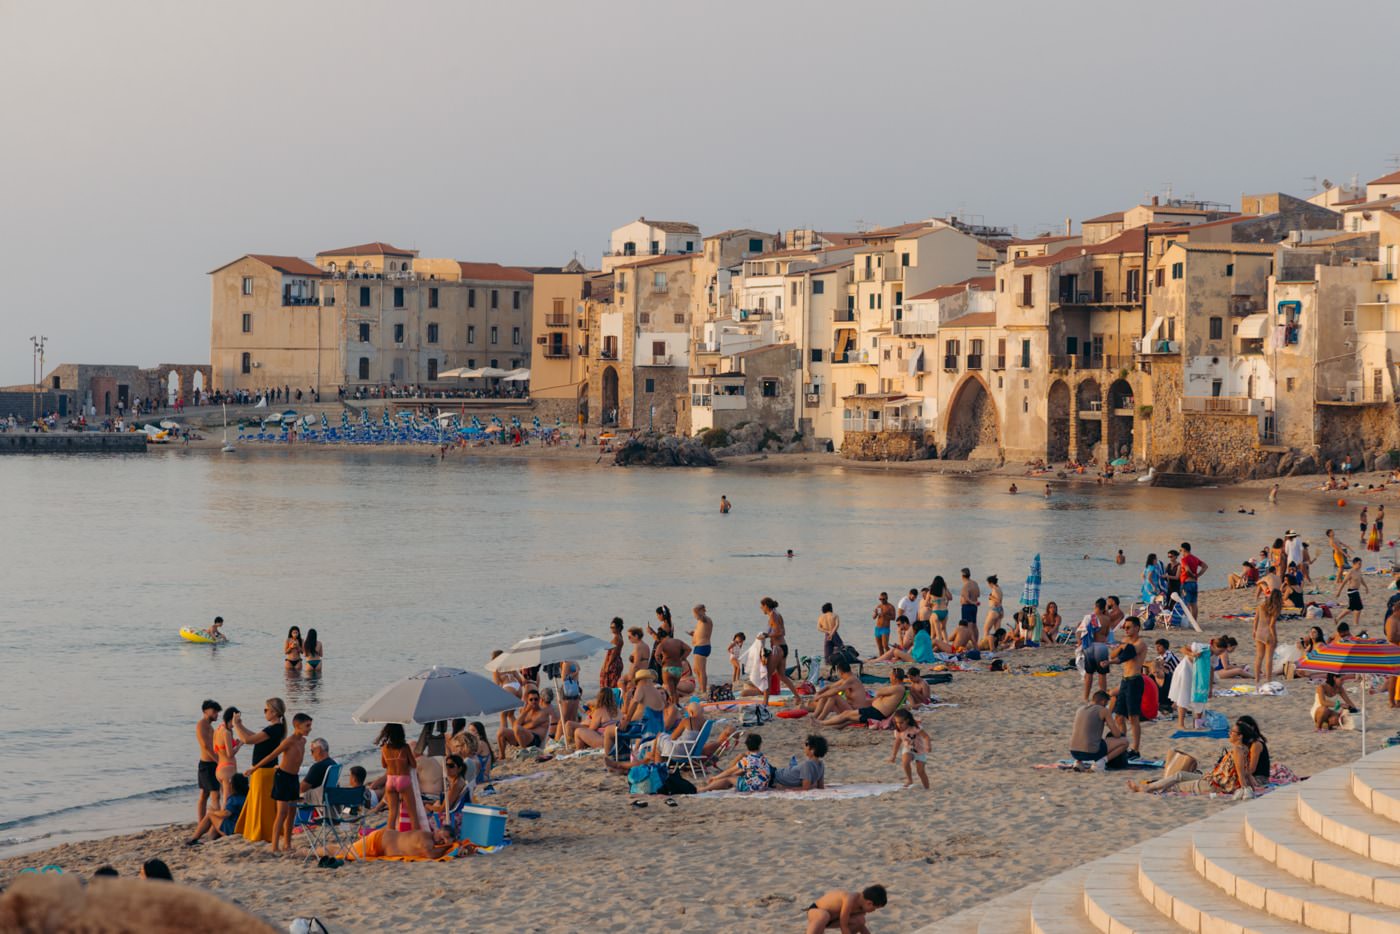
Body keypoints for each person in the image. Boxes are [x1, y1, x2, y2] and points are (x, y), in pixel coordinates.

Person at [1129, 716, 1270, 795]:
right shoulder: (1241, 748)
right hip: (1212, 778)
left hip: (1215, 784)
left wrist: (1248, 789)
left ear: (1240, 736)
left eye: (1232, 732)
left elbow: (1242, 773)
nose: (1229, 733)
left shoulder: (1240, 750)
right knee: (1179, 775)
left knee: (1177, 786)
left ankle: (1146, 789)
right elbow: (1244, 771)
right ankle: (1148, 787)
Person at [246, 711, 312, 855]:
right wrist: (254, 768)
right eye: (307, 726)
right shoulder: (289, 741)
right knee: (282, 812)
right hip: (282, 777)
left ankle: (287, 843)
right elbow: (271, 755)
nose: (309, 728)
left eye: (310, 725)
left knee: (292, 812)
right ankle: (275, 846)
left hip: (294, 778)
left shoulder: (303, 741)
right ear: (297, 726)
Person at [232, 698, 286, 844]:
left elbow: (249, 740)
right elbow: (254, 737)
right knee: (261, 804)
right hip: (265, 771)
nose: (265, 713)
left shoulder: (273, 729)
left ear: (274, 712)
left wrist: (236, 725)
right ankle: (260, 832)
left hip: (263, 771)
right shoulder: (276, 728)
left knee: (261, 805)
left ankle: (261, 833)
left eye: (266, 710)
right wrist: (241, 726)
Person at [1109, 617, 1146, 759]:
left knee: (1133, 717)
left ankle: (1135, 749)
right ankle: (1123, 745)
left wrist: (1122, 649)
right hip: (1125, 680)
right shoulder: (1125, 641)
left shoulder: (1140, 643)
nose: (1126, 629)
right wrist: (1120, 647)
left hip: (1135, 680)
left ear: (1137, 628)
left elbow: (1129, 653)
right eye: (1125, 627)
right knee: (1119, 716)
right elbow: (1113, 654)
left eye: (1129, 627)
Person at [820, 671, 908, 727]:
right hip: (875, 711)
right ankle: (832, 725)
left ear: (895, 678)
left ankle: (821, 723)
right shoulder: (898, 688)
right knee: (848, 718)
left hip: (876, 713)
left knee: (847, 714)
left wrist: (883, 693)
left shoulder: (898, 688)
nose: (890, 678)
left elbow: (879, 692)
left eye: (891, 676)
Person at [1070, 689, 1129, 772]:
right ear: (1103, 702)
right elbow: (1117, 734)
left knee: (1090, 739)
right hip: (1091, 752)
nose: (1106, 706)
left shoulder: (1080, 709)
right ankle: (1101, 762)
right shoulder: (1103, 710)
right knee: (1125, 742)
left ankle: (1078, 762)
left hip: (1074, 751)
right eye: (1106, 704)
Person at [328, 826, 459, 862]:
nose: (443, 841)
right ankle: (308, 851)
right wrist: (448, 846)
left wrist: (447, 844)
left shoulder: (433, 841)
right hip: (377, 841)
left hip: (382, 844)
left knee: (343, 850)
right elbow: (431, 855)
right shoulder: (425, 838)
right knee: (342, 851)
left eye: (446, 840)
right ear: (437, 830)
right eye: (443, 836)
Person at [378, 722, 419, 833]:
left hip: (390, 780)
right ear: (401, 733)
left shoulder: (384, 748)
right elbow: (414, 764)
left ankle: (390, 838)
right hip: (403, 779)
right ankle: (416, 837)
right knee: (412, 813)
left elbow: (383, 765)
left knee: (392, 812)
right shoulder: (404, 747)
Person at [759, 597, 800, 705]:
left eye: (762, 606)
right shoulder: (777, 614)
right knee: (782, 676)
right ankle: (798, 697)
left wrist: (766, 635)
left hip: (778, 648)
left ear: (766, 606)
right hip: (783, 647)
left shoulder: (773, 616)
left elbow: (779, 632)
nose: (761, 608)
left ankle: (765, 702)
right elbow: (783, 632)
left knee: (767, 674)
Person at [703, 732, 771, 792]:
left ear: (747, 746)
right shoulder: (763, 757)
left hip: (751, 787)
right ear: (759, 745)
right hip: (763, 786)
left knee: (728, 778)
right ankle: (714, 785)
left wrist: (715, 777)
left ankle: (704, 789)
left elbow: (729, 771)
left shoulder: (747, 760)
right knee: (736, 774)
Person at [805, 886, 887, 934]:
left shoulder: (862, 907)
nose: (873, 911)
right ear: (869, 903)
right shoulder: (850, 899)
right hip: (816, 911)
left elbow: (862, 927)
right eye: (875, 908)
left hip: (832, 920)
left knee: (860, 920)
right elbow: (843, 926)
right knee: (823, 916)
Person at [498, 687, 551, 758]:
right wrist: (525, 711)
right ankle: (502, 756)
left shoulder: (542, 713)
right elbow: (516, 725)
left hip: (535, 740)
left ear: (539, 700)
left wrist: (519, 725)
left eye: (536, 699)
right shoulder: (526, 712)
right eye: (531, 700)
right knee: (501, 731)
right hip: (521, 737)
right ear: (527, 701)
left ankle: (525, 752)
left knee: (517, 728)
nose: (533, 701)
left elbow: (520, 726)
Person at [1254, 565, 1283, 687]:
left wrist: (1254, 630)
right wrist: (1275, 638)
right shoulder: (1275, 609)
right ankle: (1268, 680)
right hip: (1268, 634)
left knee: (1259, 657)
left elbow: (1255, 619)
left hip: (1259, 632)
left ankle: (1256, 679)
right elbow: (1271, 625)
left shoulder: (1261, 606)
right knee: (1269, 658)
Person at [195, 700, 221, 828]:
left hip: (211, 764)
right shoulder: (202, 724)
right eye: (214, 711)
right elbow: (205, 745)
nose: (216, 714)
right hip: (207, 764)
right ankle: (215, 824)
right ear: (205, 711)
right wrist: (218, 761)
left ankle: (202, 824)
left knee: (205, 794)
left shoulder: (210, 726)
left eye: (217, 712)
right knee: (214, 795)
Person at [889, 709, 930, 789]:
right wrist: (893, 756)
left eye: (901, 722)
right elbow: (897, 743)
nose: (899, 725)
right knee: (905, 762)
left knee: (920, 771)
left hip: (920, 751)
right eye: (897, 722)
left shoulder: (914, 728)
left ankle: (927, 788)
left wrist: (928, 745)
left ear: (907, 721)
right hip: (908, 748)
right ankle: (909, 780)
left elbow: (926, 736)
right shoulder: (898, 731)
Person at [655, 627, 691, 698]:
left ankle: (674, 705)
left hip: (667, 668)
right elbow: (689, 649)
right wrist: (682, 658)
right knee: (674, 689)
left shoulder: (662, 644)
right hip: (678, 668)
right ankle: (676, 704)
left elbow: (657, 655)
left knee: (669, 690)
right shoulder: (678, 642)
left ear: (660, 638)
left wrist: (661, 663)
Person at [299, 738, 336, 804]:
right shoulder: (333, 764)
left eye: (312, 751)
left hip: (318, 798)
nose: (311, 754)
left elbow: (302, 788)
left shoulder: (317, 767)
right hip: (328, 796)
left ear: (318, 750)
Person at [1336, 556, 1368, 629]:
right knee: (1357, 608)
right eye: (1359, 564)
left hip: (1356, 591)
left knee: (1353, 608)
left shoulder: (1359, 571)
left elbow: (1361, 579)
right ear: (1354, 564)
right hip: (1352, 591)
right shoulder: (1351, 572)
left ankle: (1338, 618)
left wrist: (1366, 587)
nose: (1360, 565)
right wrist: (1339, 592)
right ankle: (1355, 623)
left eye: (1361, 564)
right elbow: (1344, 582)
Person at [1179, 542, 1207, 623]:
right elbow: (1205, 566)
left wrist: (1193, 576)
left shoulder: (1184, 559)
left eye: (1181, 550)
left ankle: (1187, 621)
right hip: (1194, 584)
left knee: (1186, 603)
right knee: (1194, 604)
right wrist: (1198, 575)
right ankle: (1194, 621)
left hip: (1187, 583)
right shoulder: (1195, 558)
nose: (1180, 552)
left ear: (1184, 550)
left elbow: (1187, 570)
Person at [690, 604, 713, 694]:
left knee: (701, 670)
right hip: (698, 646)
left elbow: (699, 614)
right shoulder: (700, 622)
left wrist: (698, 608)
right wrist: (694, 634)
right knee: (696, 669)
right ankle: (701, 687)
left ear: (702, 611)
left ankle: (703, 690)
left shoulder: (705, 619)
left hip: (703, 646)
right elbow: (702, 633)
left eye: (696, 613)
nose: (695, 616)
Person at [601, 617, 625, 689]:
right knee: (613, 682)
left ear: (618, 628)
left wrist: (607, 666)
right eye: (611, 627)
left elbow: (613, 654)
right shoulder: (619, 637)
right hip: (616, 662)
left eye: (613, 627)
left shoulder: (617, 638)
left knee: (609, 683)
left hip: (613, 663)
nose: (611, 629)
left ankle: (608, 698)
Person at [959, 568, 981, 642]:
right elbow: (978, 594)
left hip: (967, 607)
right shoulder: (975, 583)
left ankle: (973, 643)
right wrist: (974, 602)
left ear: (962, 576)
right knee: (974, 625)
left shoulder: (965, 585)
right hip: (974, 607)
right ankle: (976, 642)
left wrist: (971, 602)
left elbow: (966, 599)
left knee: (969, 626)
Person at [871, 592, 895, 657]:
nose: (881, 600)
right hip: (878, 628)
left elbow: (893, 618)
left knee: (885, 646)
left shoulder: (890, 607)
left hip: (885, 628)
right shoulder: (879, 606)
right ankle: (882, 660)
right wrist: (875, 613)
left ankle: (893, 656)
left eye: (883, 599)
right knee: (880, 647)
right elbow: (873, 617)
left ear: (886, 598)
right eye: (880, 599)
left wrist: (884, 615)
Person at [928, 576, 951, 642]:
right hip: (944, 611)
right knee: (943, 630)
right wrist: (946, 588)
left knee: (937, 635)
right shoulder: (944, 589)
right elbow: (950, 598)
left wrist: (932, 603)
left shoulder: (931, 590)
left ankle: (936, 647)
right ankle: (947, 646)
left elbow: (927, 603)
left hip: (935, 612)